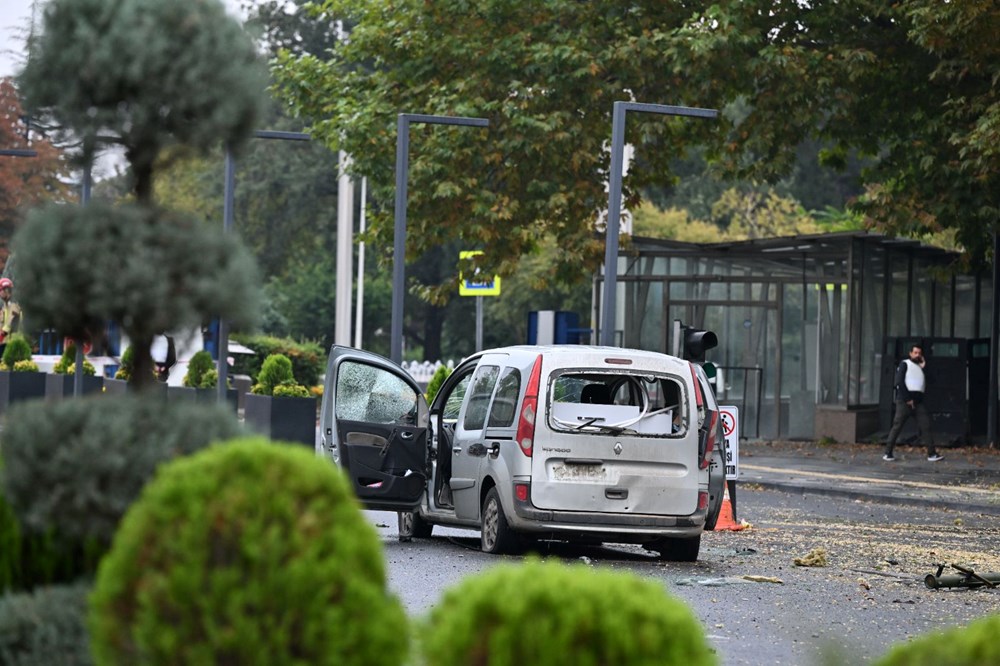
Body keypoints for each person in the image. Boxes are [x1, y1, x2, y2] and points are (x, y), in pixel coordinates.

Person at [884, 343, 943, 462]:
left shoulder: (921, 367)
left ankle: (932, 454)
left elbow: (932, 381)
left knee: (925, 425)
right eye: (915, 353)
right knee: (897, 426)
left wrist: (924, 367)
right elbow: (899, 382)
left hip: (918, 402)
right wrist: (907, 399)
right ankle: (888, 453)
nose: (917, 355)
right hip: (904, 401)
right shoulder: (905, 363)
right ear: (910, 353)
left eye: (919, 353)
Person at [0, 277, 22, 358]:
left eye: (0, 290)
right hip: (5, 343)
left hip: (14, 342)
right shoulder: (4, 306)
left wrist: (2, 334)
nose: (0, 293)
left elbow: (10, 320)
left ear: (6, 290)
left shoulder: (14, 304)